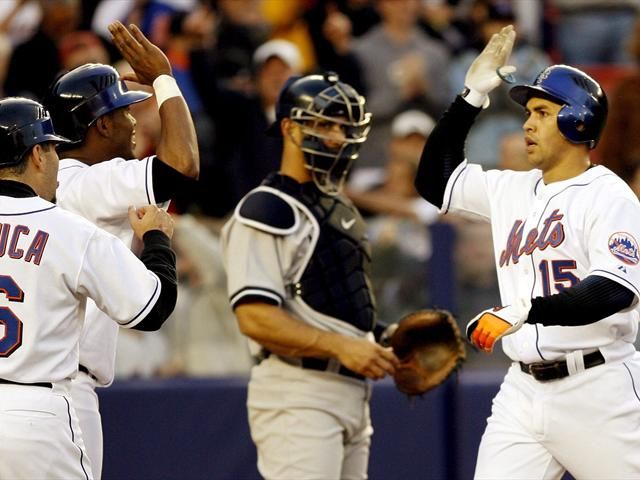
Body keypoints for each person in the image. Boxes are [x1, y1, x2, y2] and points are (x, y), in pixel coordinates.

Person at [415, 24, 640, 479]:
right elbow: (433, 182)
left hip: (597, 388)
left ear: (577, 120)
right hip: (522, 391)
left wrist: (527, 311)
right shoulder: (512, 189)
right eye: (528, 112)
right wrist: (469, 98)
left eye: (541, 111)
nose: (528, 123)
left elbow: (613, 291)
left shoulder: (608, 194)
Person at [221, 72, 399, 480]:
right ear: (289, 127)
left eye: (343, 125)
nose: (336, 136)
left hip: (351, 394)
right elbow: (255, 317)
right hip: (298, 391)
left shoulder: (340, 209)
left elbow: (332, 303)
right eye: (323, 123)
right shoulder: (267, 209)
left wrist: (386, 342)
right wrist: (341, 346)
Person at [42, 20, 199, 479]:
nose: (135, 122)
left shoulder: (44, 190)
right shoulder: (92, 181)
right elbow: (182, 164)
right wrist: (165, 79)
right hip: (60, 389)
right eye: (125, 113)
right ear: (102, 123)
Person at [0, 96, 177, 479]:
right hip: (38, 412)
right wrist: (157, 241)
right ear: (38, 155)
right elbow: (152, 309)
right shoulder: (68, 229)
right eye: (53, 148)